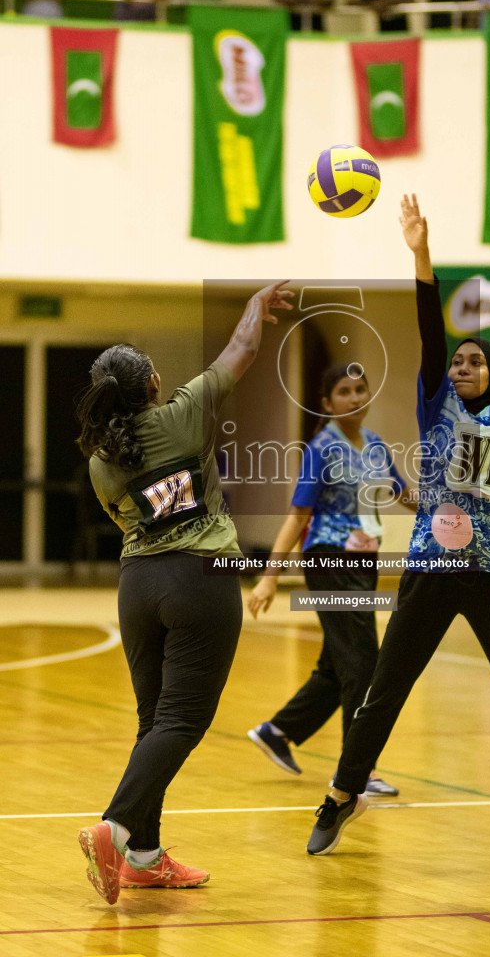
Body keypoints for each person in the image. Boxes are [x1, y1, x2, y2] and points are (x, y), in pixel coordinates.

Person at [306, 194, 490, 874]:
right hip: (430, 569)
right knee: (383, 692)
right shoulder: (433, 399)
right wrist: (419, 254)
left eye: (472, 361)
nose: (460, 365)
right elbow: (428, 329)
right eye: (454, 361)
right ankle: (341, 795)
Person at [75, 281, 293, 905]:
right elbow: (242, 348)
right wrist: (257, 304)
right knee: (182, 721)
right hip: (201, 578)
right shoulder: (183, 413)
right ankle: (115, 829)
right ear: (149, 385)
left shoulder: (99, 459)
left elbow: (125, 520)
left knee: (154, 722)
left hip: (138, 585)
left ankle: (143, 855)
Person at [248, 363, 416, 796]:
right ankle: (358, 771)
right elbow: (298, 515)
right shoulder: (321, 448)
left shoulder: (376, 446)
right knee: (363, 662)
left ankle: (278, 732)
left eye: (361, 389)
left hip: (364, 565)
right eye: (344, 391)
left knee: (338, 663)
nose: (355, 398)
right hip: (328, 562)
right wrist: (269, 577)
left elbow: (402, 493)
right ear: (326, 402)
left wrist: (449, 513)